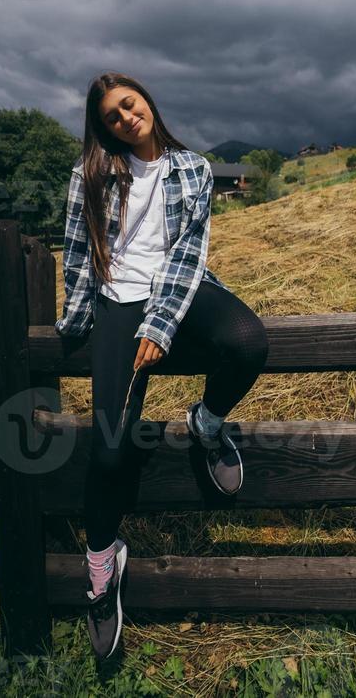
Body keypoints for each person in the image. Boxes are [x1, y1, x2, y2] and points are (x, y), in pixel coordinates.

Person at [54, 71, 269, 664]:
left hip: (180, 288)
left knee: (249, 342)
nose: (125, 118)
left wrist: (161, 323)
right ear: (104, 128)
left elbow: (188, 253)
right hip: (116, 299)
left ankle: (206, 426)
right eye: (112, 117)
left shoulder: (193, 169)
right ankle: (102, 568)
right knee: (109, 448)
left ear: (146, 99)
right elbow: (77, 251)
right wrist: (76, 322)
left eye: (130, 105)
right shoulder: (89, 175)